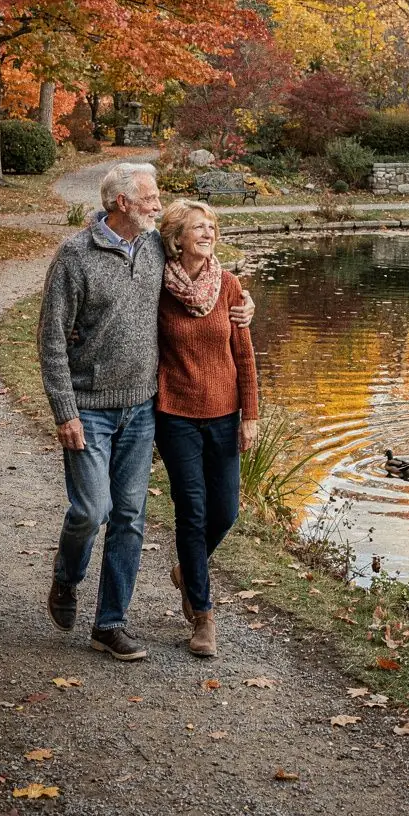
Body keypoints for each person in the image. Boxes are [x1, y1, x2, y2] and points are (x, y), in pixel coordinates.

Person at [37, 163, 252, 662]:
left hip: (141, 408)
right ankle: (66, 578)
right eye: (150, 199)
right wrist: (64, 410)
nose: (158, 206)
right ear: (120, 204)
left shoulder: (156, 249)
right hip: (89, 407)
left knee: (130, 516)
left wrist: (246, 307)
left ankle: (109, 624)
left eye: (157, 199)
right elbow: (50, 339)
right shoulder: (74, 256)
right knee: (93, 511)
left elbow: (207, 274)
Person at [155, 198, 258, 658]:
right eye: (198, 227)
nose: (208, 233)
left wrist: (251, 415)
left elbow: (245, 357)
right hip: (175, 414)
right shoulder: (155, 286)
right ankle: (202, 614)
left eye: (212, 227)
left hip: (223, 415)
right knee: (191, 513)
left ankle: (186, 568)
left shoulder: (231, 286)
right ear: (177, 239)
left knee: (226, 511)